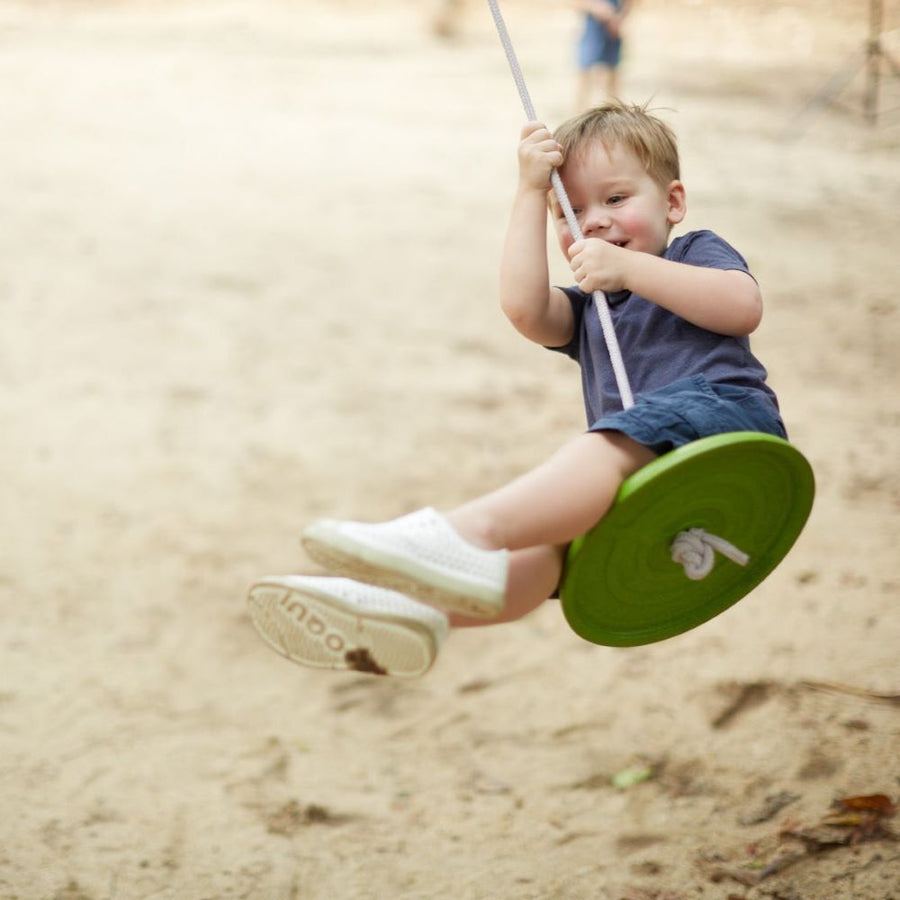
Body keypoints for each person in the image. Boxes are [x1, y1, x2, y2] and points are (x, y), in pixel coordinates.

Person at [247, 101, 786, 678]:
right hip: (651, 472)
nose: (594, 222)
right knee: (547, 554)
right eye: (571, 212)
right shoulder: (592, 309)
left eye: (615, 199)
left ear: (672, 203)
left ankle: (462, 533)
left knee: (599, 447)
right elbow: (525, 308)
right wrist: (531, 194)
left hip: (724, 423)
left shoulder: (691, 253)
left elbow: (741, 307)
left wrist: (630, 272)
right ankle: (411, 613)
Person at [573, 0, 634, 107]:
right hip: (593, 29)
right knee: (585, 76)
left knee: (612, 79)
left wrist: (619, 18)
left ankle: (615, 117)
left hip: (613, 28)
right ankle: (578, 115)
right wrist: (597, 8)